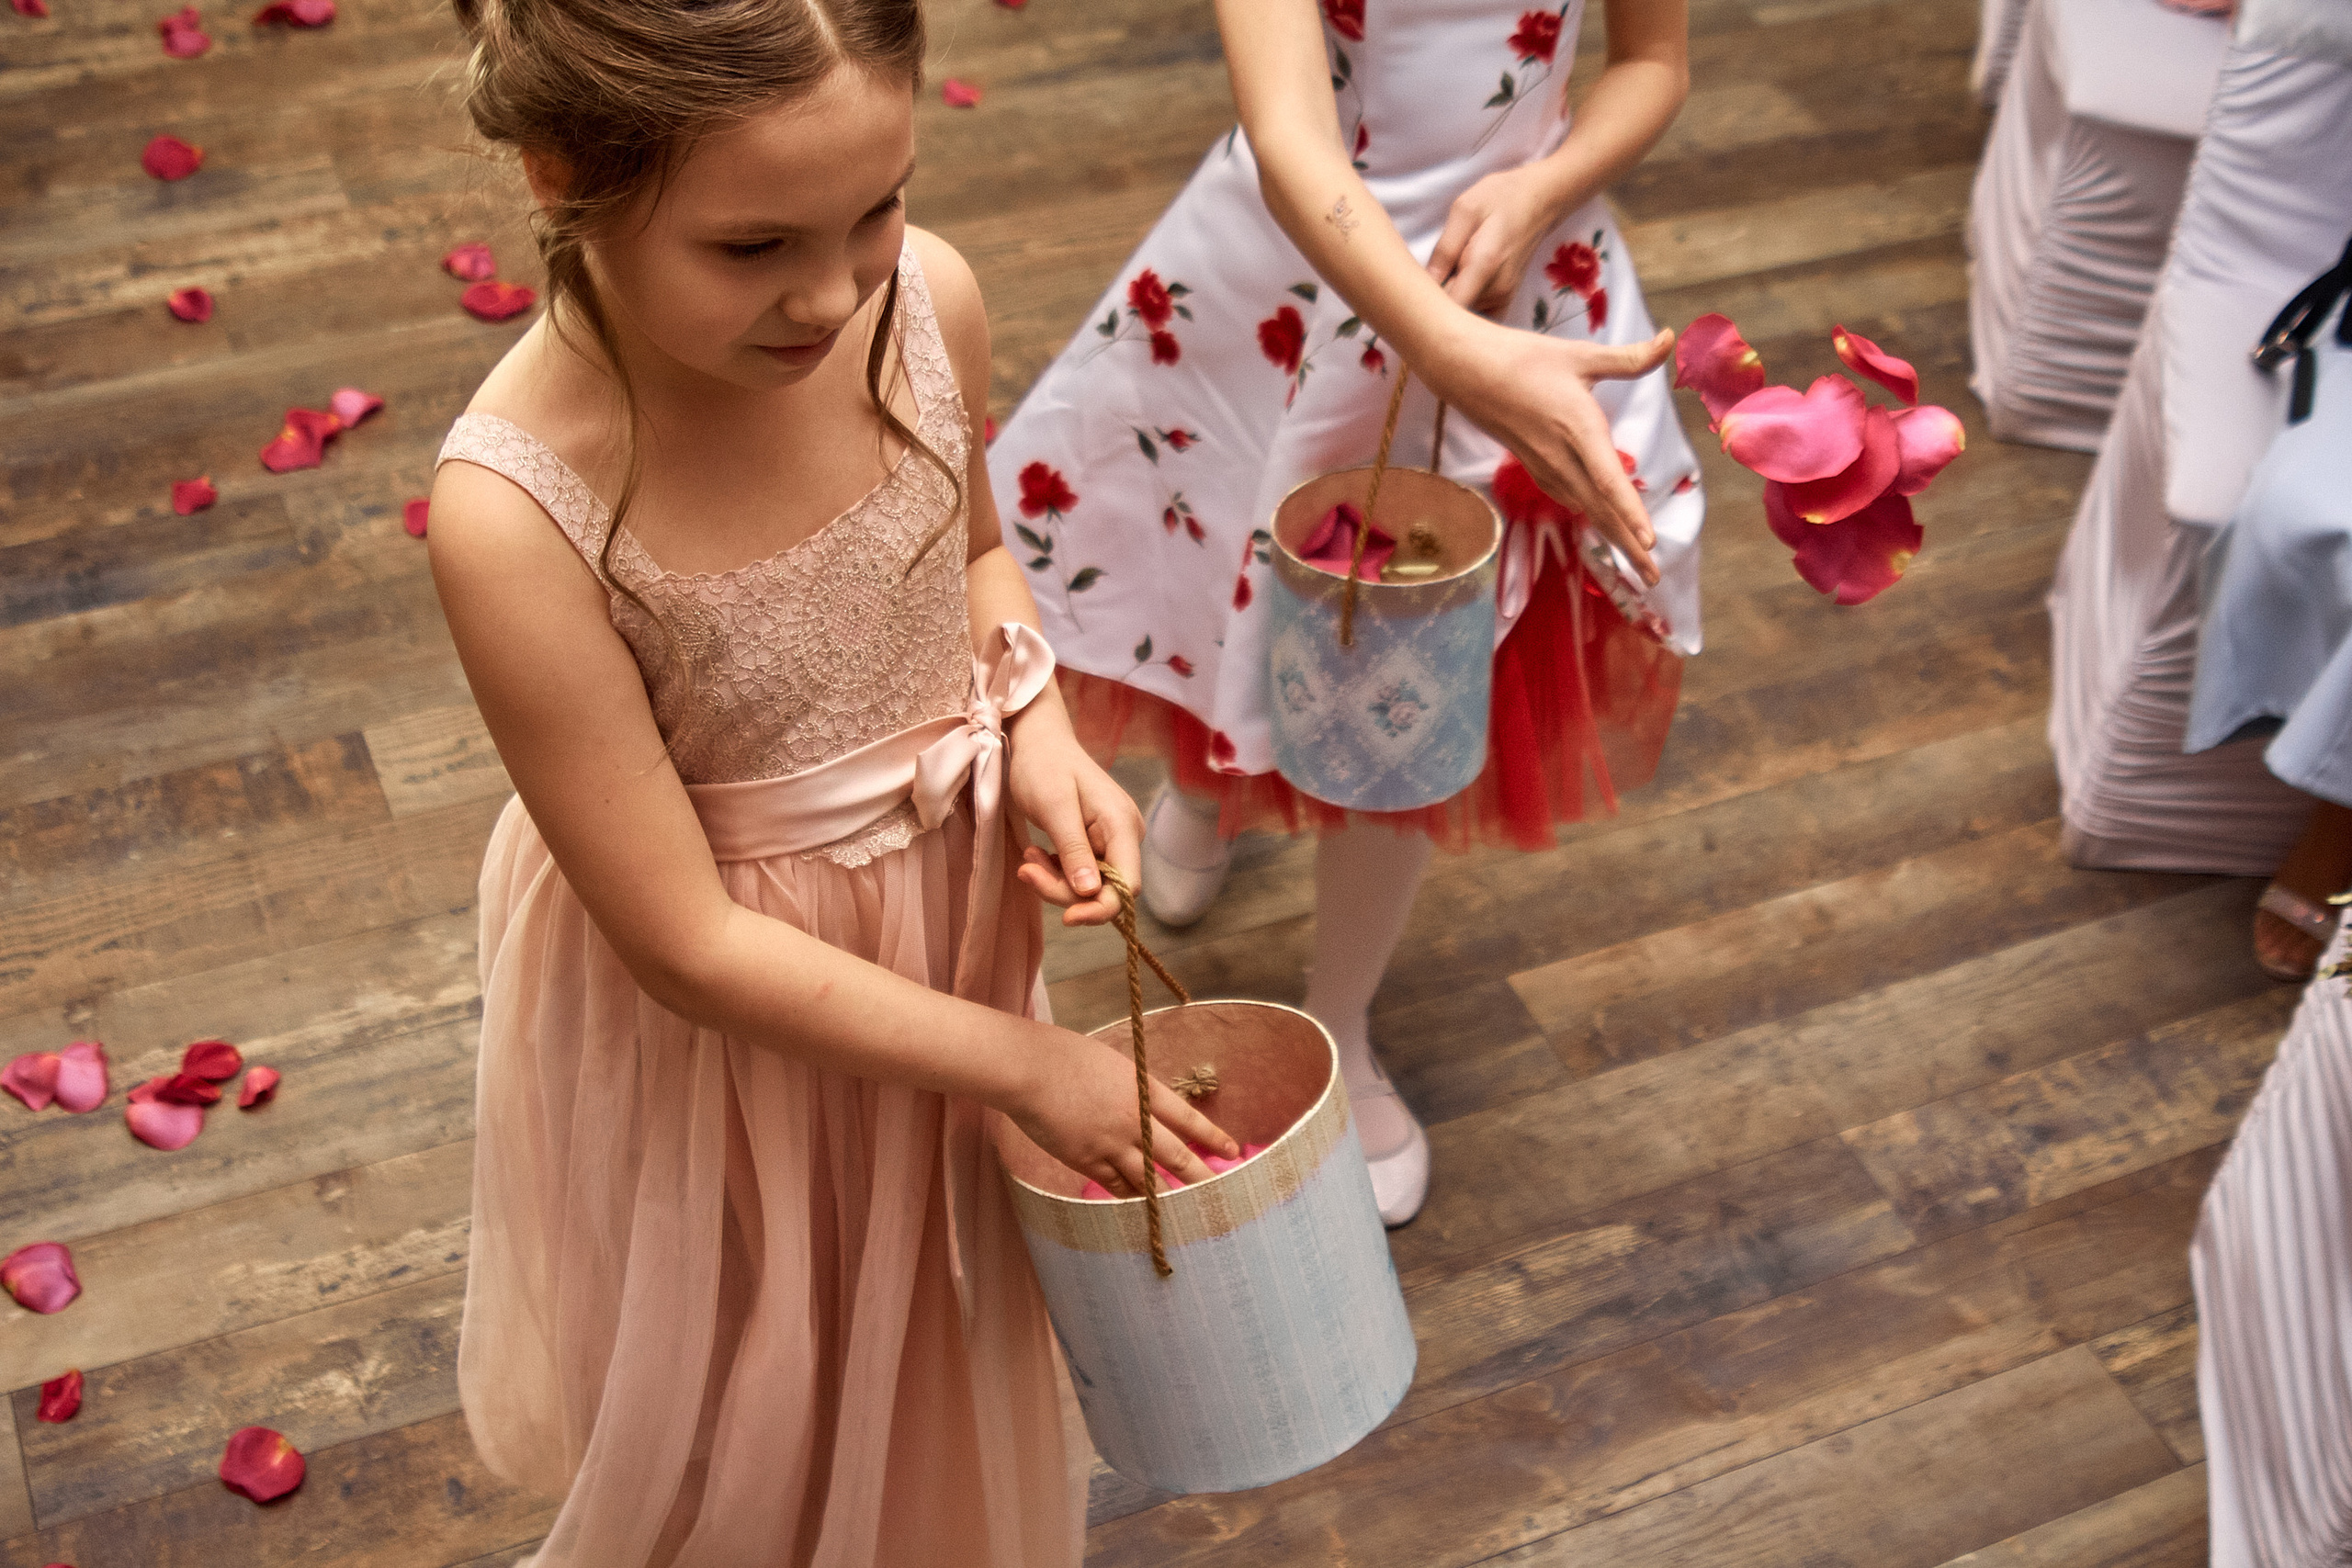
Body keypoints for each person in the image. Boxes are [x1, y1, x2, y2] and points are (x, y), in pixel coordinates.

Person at [422, 1, 1234, 1561]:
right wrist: (1027, 1067)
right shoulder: (520, 513)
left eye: (879, 204)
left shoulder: (924, 304)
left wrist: (1039, 728)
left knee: (916, 1324)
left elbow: (977, 554)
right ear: (560, 170)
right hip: (743, 1019)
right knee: (755, 1375)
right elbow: (686, 946)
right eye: (751, 248)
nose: (830, 290)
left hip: (946, 950)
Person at [990, 0, 1702, 1226]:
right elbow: (1289, 133)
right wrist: (1443, 343)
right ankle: (1207, 788)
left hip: (1512, 270)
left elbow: (1653, 63)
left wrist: (1541, 189)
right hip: (1302, 264)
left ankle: (1344, 1016)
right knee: (1212, 565)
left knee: (1409, 660)